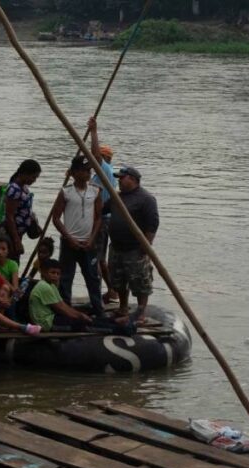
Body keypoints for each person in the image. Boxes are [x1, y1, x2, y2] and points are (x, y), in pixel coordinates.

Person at [52, 155, 104, 316]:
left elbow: (99, 217)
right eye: (83, 170)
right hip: (70, 242)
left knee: (92, 277)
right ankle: (65, 310)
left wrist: (92, 238)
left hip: (88, 242)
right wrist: (69, 238)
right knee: (66, 277)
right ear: (74, 173)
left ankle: (98, 309)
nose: (87, 174)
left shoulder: (95, 191)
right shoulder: (66, 192)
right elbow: (56, 218)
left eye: (89, 170)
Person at [108, 166, 159, 322]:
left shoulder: (146, 199)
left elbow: (153, 224)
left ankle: (141, 312)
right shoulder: (117, 197)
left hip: (135, 248)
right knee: (119, 280)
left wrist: (146, 245)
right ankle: (123, 307)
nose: (119, 181)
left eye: (122, 178)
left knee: (140, 282)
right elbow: (102, 210)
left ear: (132, 179)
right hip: (117, 246)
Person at [89, 116, 119, 303]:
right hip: (101, 219)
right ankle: (109, 290)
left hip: (102, 220)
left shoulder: (105, 169)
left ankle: (111, 290)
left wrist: (93, 131)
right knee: (98, 258)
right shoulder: (101, 174)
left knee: (98, 258)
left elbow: (94, 153)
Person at [28, 259, 94, 332]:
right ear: (44, 272)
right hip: (45, 323)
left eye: (58, 274)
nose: (55, 276)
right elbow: (60, 309)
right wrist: (80, 316)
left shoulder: (51, 286)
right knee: (82, 324)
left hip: (51, 318)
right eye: (52, 272)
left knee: (85, 318)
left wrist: (80, 315)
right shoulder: (44, 286)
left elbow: (63, 305)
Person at [1, 159, 42, 264]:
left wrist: (34, 221)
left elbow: (24, 209)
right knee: (10, 262)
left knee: (14, 261)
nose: (34, 180)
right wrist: (16, 240)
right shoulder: (14, 189)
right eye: (33, 177)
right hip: (10, 233)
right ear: (24, 174)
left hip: (19, 232)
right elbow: (9, 216)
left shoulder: (24, 187)